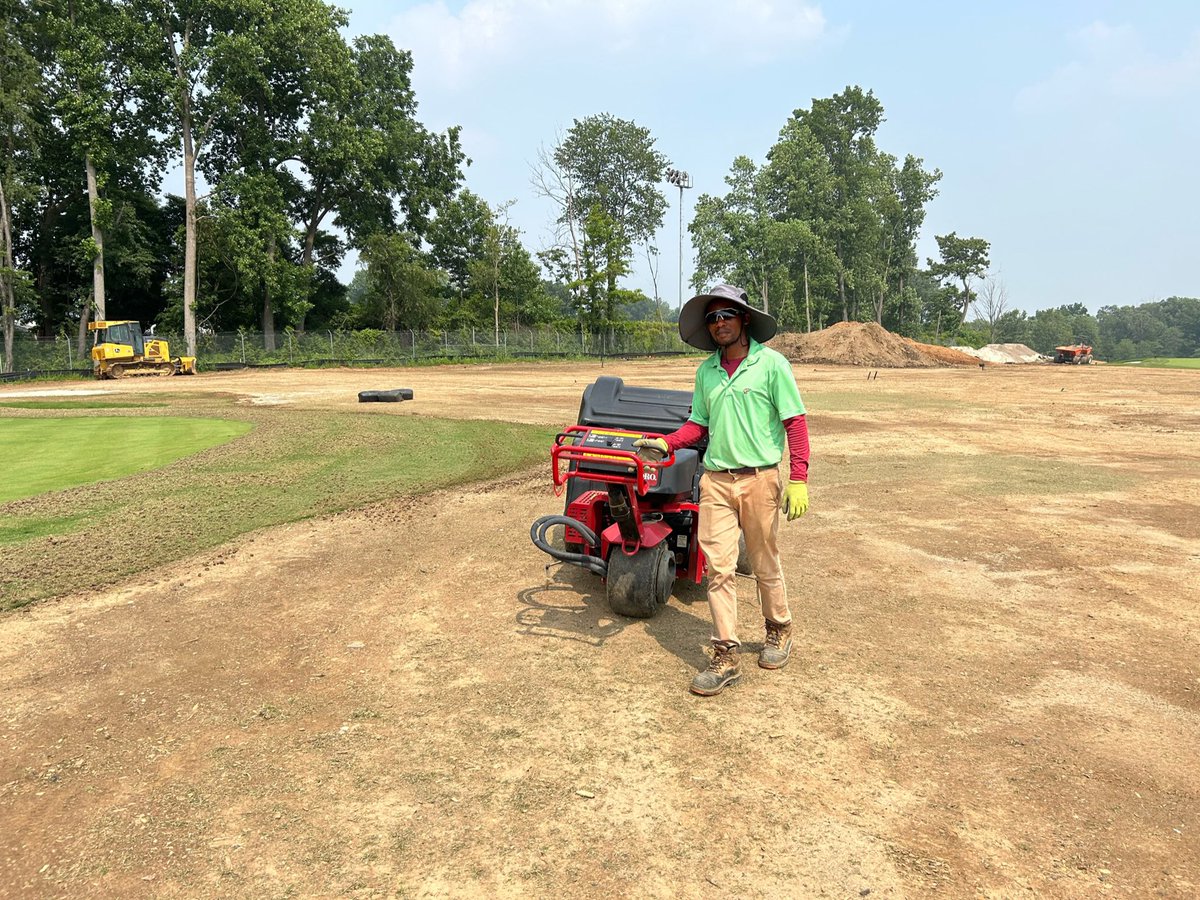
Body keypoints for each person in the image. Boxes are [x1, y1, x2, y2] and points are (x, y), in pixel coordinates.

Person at [634, 284, 810, 696]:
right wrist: (669, 442)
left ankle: (779, 629)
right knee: (719, 568)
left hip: (760, 478)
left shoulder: (772, 365)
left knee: (764, 562)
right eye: (712, 318)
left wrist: (798, 478)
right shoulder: (706, 372)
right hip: (715, 481)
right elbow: (699, 425)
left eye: (726, 315)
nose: (719, 324)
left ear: (743, 318)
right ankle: (726, 655)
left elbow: (795, 423)